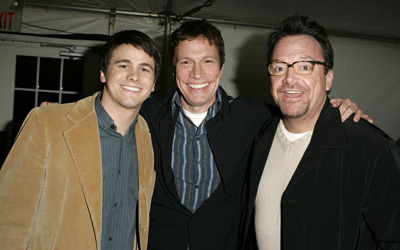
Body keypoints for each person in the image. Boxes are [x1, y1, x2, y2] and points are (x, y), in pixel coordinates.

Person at [139, 19, 370, 250]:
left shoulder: (253, 116)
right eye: (186, 62)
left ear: (221, 68)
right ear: (173, 69)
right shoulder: (145, 116)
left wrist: (336, 108)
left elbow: (297, 106)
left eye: (207, 61)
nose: (197, 73)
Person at [244, 15, 400, 250]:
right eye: (279, 67)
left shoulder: (371, 148)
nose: (289, 78)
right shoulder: (255, 137)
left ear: (328, 79)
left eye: (305, 67)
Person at [0, 29, 161, 250]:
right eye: (123, 65)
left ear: (153, 84)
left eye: (145, 69)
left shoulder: (147, 137)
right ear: (103, 73)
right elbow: (9, 217)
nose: (134, 76)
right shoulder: (47, 123)